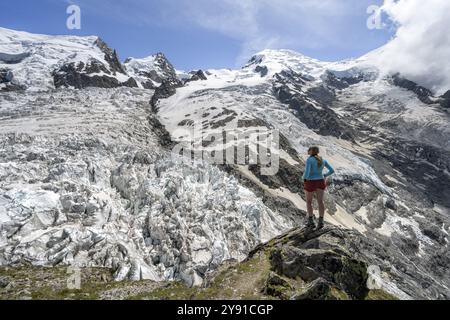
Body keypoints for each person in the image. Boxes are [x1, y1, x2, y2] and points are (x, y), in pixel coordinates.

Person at [302, 146, 335, 230]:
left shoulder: (309, 160)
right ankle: (321, 222)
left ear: (311, 151)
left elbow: (307, 172)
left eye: (308, 150)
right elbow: (331, 170)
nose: (307, 151)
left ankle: (311, 222)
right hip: (320, 181)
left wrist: (304, 178)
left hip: (310, 182)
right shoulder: (323, 160)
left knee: (309, 202)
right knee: (320, 201)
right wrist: (325, 175)